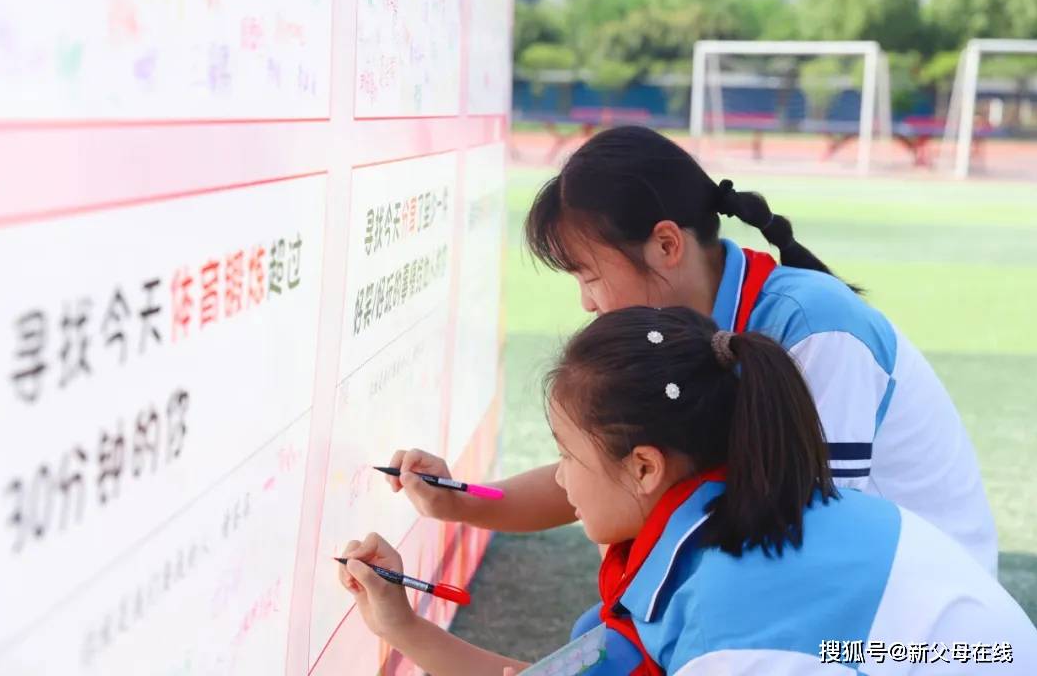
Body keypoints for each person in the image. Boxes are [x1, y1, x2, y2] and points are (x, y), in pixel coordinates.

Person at [386, 125, 997, 573]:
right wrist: (465, 501)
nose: (586, 304)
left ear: (666, 245)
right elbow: (597, 473)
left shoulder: (815, 331)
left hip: (918, 634)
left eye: (590, 276)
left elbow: (824, 542)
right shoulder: (674, 336)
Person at [341, 308, 1036, 674]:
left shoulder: (733, 616)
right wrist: (400, 625)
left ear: (645, 467)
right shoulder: (727, 528)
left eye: (566, 455)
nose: (558, 479)